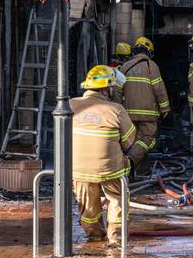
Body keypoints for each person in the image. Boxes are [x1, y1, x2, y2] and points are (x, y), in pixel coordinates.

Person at [72, 65, 136, 245]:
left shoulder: (70, 105)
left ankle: (93, 235)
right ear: (106, 88)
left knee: (87, 206)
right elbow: (129, 139)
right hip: (111, 169)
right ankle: (116, 237)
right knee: (117, 200)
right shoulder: (116, 110)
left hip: (79, 170)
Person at [114, 36, 169, 169]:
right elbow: (159, 89)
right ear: (149, 51)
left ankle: (134, 169)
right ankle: (130, 162)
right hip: (148, 114)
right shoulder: (152, 66)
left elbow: (117, 91)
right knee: (147, 139)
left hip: (128, 113)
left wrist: (118, 110)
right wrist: (165, 109)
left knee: (131, 140)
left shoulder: (125, 67)